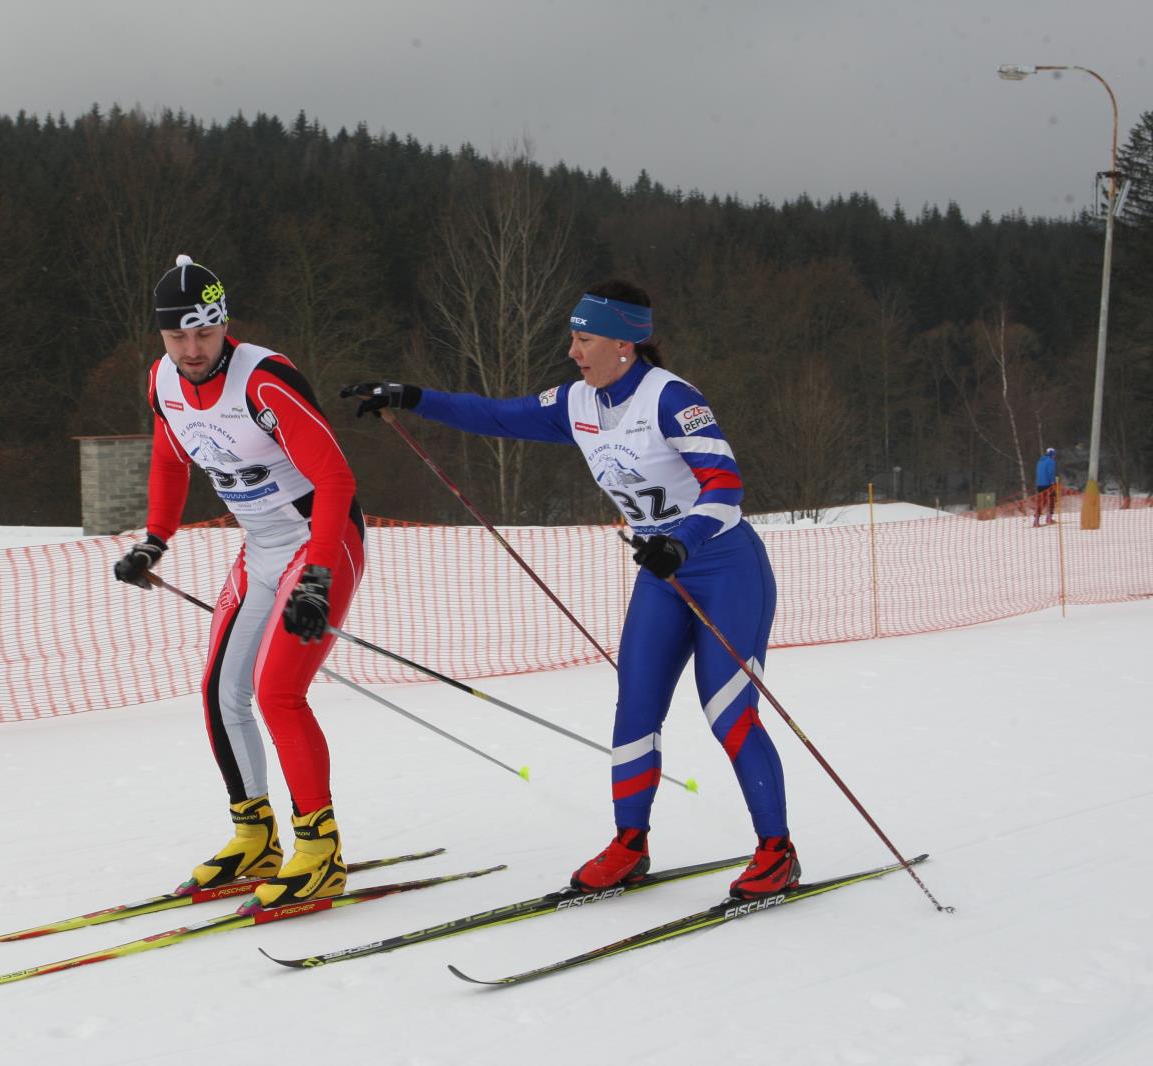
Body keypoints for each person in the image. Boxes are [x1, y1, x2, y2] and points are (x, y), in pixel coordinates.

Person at [342, 280, 798, 900]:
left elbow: (725, 486)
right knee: (636, 708)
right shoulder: (578, 402)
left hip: (725, 569)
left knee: (727, 712)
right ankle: (629, 844)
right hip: (662, 576)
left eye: (584, 338)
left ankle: (776, 851)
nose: (573, 350)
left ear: (625, 344)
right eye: (574, 337)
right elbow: (498, 414)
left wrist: (681, 540)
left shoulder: (672, 400)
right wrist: (412, 396)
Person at [113, 255, 366, 911]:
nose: (194, 350)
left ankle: (322, 852)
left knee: (278, 690)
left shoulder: (264, 381)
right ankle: (255, 837)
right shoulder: (162, 382)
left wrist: (317, 575)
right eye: (180, 337)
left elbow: (336, 479)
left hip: (321, 539)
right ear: (162, 336)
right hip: (261, 545)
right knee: (221, 689)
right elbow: (170, 458)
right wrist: (154, 540)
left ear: (224, 323)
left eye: (206, 332)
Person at [1034, 447, 1058, 526]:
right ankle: (1049, 518)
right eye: (1054, 454)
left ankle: (1036, 520)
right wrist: (1054, 483)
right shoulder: (1051, 462)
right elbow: (1051, 473)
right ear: (1052, 454)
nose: (1055, 456)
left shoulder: (1040, 461)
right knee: (1051, 500)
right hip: (1048, 484)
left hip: (1039, 484)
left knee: (1041, 502)